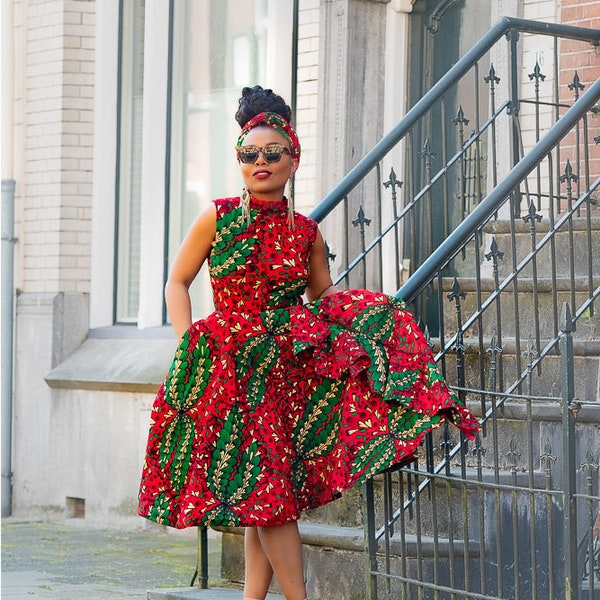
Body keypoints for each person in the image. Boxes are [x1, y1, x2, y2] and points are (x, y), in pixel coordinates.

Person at [138, 85, 479, 600]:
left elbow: (323, 301)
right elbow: (176, 283)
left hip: (281, 373)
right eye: (248, 154)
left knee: (266, 492)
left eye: (272, 153)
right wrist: (189, 345)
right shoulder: (217, 216)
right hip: (227, 368)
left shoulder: (306, 233)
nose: (260, 162)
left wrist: (372, 328)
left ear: (292, 158)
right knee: (266, 493)